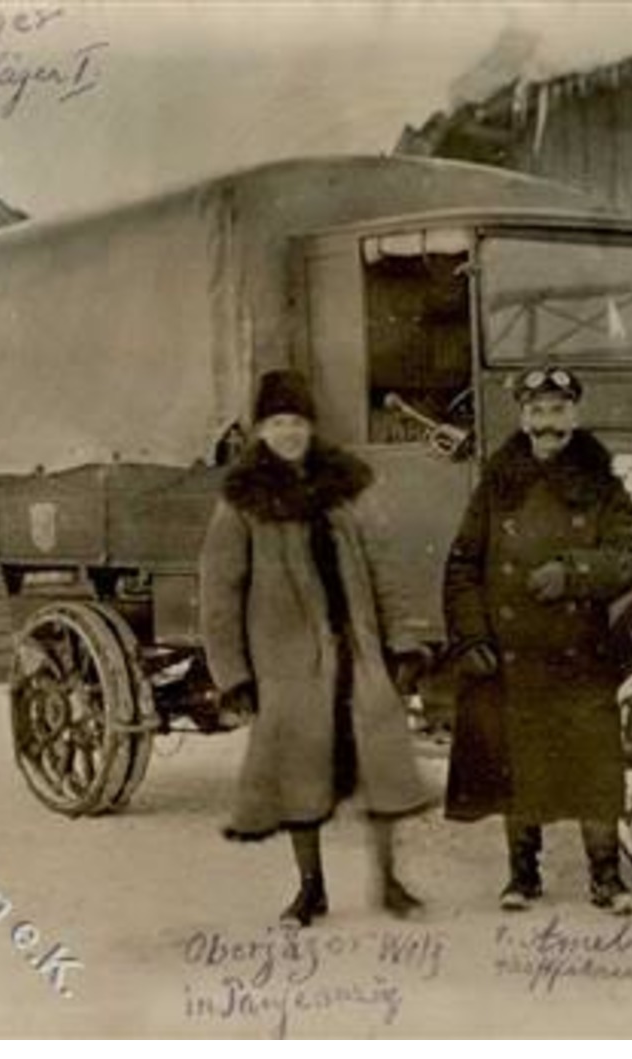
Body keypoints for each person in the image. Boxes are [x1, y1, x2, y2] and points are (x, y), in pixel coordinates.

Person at [199, 369, 435, 928]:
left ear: (311, 427)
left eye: (298, 422)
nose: (289, 433)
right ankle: (311, 890)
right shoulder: (242, 503)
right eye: (278, 422)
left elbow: (384, 571)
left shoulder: (346, 491)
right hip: (288, 666)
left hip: (358, 653)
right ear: (261, 430)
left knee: (383, 769)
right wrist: (234, 674)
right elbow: (219, 592)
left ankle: (390, 882)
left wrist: (401, 642)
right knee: (299, 774)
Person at [442, 366, 632, 916]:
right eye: (536, 412)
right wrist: (471, 637)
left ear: (575, 417)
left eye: (557, 411)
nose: (547, 423)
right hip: (513, 650)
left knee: (595, 767)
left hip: (580, 651)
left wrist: (574, 572)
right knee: (519, 763)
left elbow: (631, 560)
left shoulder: (602, 483)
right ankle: (522, 877)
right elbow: (462, 565)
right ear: (522, 419)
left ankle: (607, 879)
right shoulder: (497, 482)